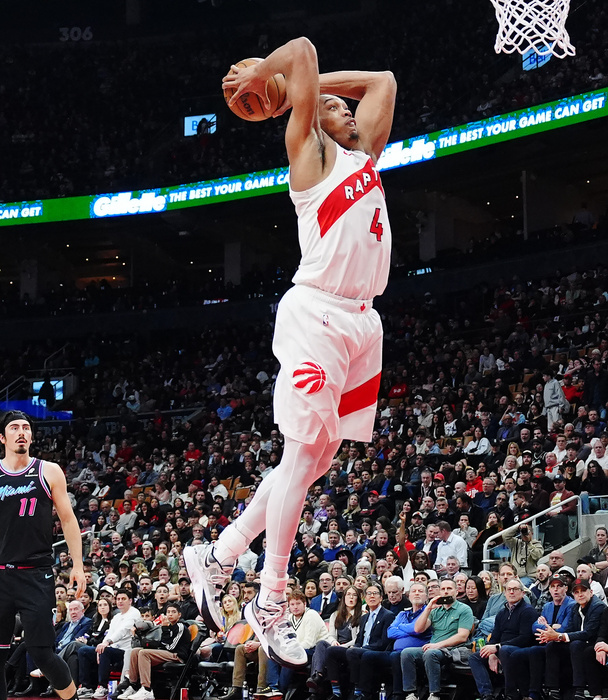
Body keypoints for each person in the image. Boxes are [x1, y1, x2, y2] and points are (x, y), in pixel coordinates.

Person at [186, 35, 397, 668]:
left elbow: (383, 78)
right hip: (318, 312)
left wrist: (293, 85)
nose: (344, 108)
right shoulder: (308, 152)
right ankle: (269, 599)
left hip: (365, 323)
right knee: (301, 452)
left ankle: (220, 555)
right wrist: (283, 86)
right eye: (331, 105)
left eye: (343, 105)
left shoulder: (369, 156)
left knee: (317, 459)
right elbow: (302, 50)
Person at [0, 411, 86, 700]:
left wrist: (77, 564)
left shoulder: (49, 471)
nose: (22, 432)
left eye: (26, 428)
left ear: (31, 436)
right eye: (14, 428)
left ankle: (72, 698)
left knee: (42, 653)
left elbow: (68, 519)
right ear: (2, 437)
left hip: (36, 573)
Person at [468, 578, 536, 700]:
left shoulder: (528, 611)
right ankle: (487, 694)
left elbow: (525, 638)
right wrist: (491, 654)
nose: (511, 592)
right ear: (504, 593)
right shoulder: (502, 613)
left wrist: (497, 647)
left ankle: (511, 694)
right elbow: (495, 637)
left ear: (522, 593)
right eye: (509, 589)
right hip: (502, 648)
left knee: (505, 649)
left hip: (520, 649)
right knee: (475, 657)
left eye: (515, 589)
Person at [117, 604, 192, 700]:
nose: (170, 614)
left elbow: (170, 647)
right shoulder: (169, 625)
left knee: (144, 653)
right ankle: (133, 685)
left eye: (173, 612)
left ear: (179, 615)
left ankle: (146, 689)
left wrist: (164, 629)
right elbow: (164, 644)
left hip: (177, 655)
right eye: (168, 612)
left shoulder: (180, 626)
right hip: (167, 653)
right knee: (135, 651)